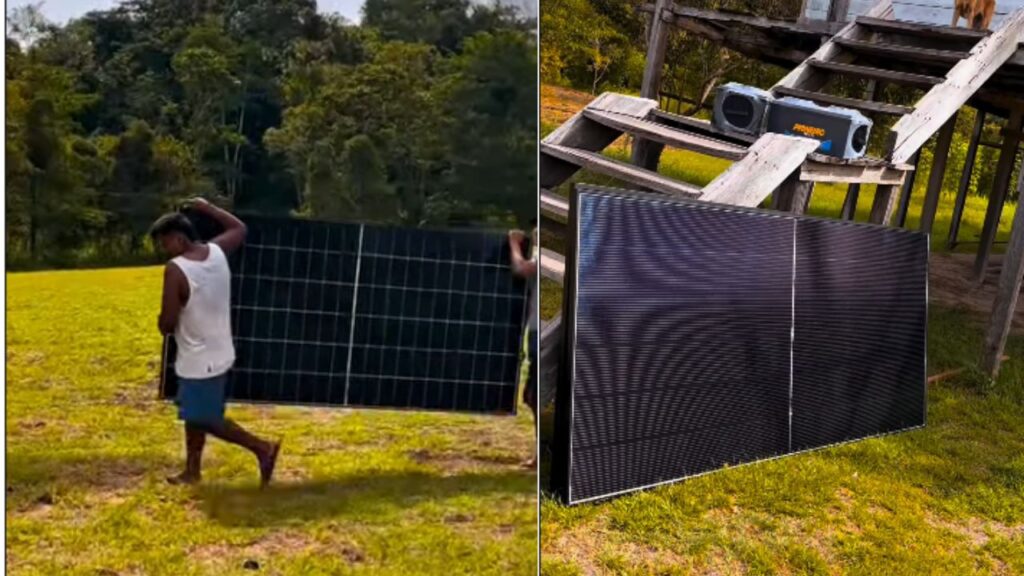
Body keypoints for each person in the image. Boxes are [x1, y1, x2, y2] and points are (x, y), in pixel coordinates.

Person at [151, 198, 281, 486]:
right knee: (194, 413)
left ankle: (263, 448)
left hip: (198, 358)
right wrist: (206, 206)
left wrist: (162, 321)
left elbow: (168, 324)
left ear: (179, 238)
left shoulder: (176, 269)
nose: (164, 249)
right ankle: (192, 471)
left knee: (204, 416)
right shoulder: (217, 252)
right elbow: (239, 228)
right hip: (221, 350)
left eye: (165, 242)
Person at [508, 224, 538, 468]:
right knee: (532, 394)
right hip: (537, 329)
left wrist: (514, 244)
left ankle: (539, 456)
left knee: (535, 394)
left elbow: (521, 268)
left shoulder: (545, 255)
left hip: (541, 331)